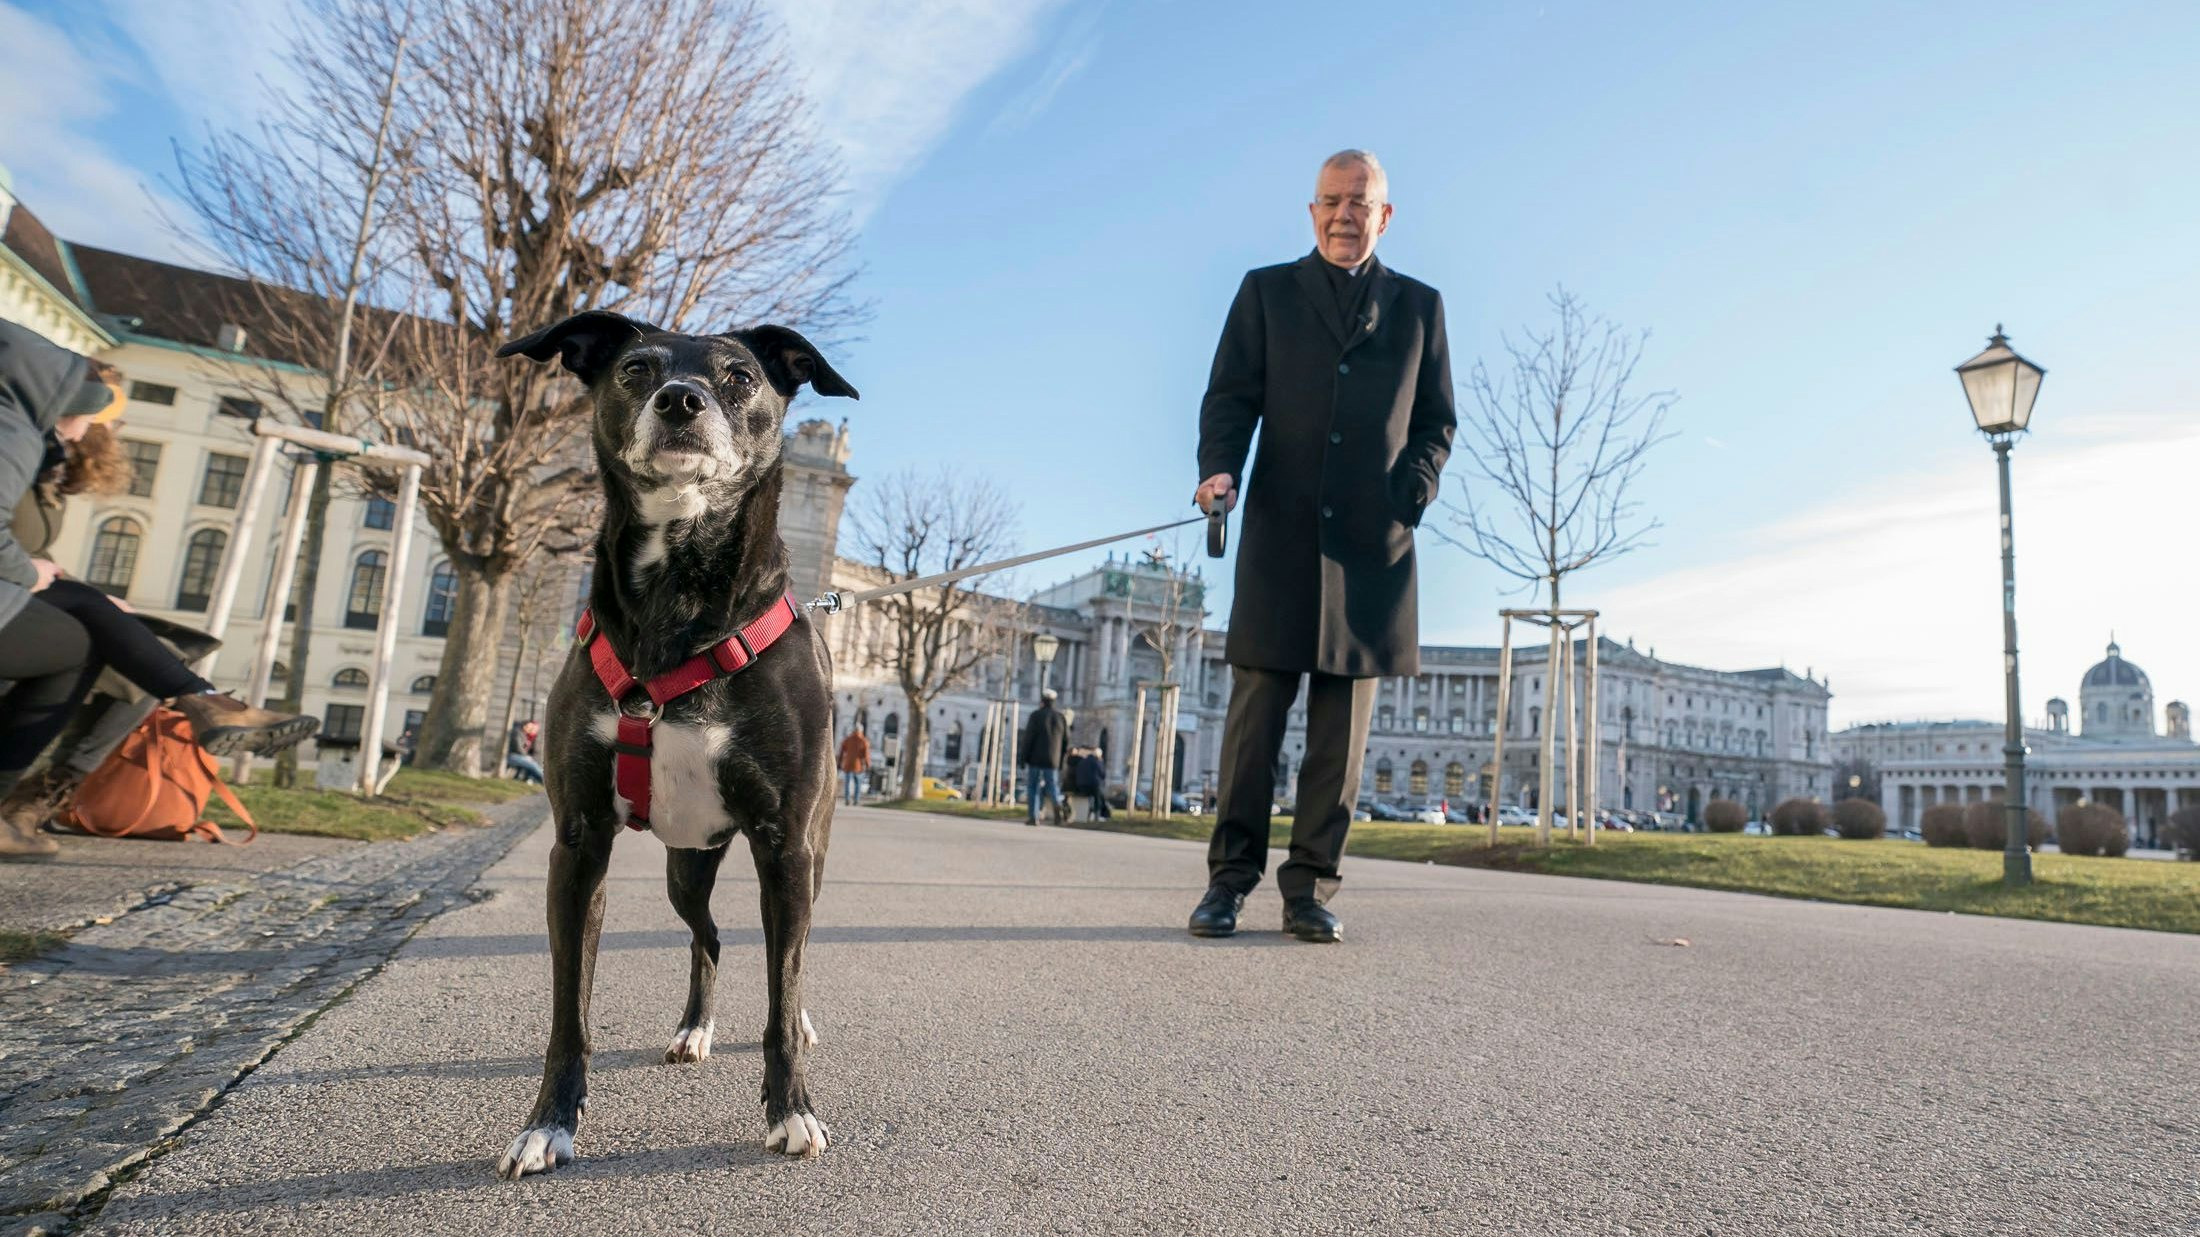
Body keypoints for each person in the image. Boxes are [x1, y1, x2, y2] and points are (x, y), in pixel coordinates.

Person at [1187, 150, 1456, 943]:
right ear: (1312, 212)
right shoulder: (1265, 291)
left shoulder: (1420, 306)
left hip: (1374, 550)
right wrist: (1217, 469)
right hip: (1278, 534)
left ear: (1386, 214)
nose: (1345, 213)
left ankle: (1309, 887)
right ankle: (1228, 883)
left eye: (1360, 201)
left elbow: (1437, 420)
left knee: (1339, 746)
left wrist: (1416, 484)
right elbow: (1230, 395)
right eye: (1332, 201)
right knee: (1252, 729)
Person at [0, 321, 319, 859]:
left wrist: (63, 583)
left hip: (21, 595)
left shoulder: (31, 450)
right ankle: (203, 703)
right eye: (93, 414)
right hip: (17, 595)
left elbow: (35, 556)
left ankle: (198, 703)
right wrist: (42, 577)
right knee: (104, 640)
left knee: (122, 639)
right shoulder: (16, 436)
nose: (84, 432)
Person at [1018, 688, 1069, 827]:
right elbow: (1066, 741)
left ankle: (1033, 816)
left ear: (1042, 701)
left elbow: (1028, 738)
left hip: (1035, 759)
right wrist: (1061, 759)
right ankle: (1057, 806)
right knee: (1052, 786)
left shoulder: (1035, 716)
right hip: (1053, 759)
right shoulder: (1061, 717)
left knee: (1033, 787)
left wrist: (1023, 757)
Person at [836, 725, 870, 806]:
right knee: (857, 784)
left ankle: (847, 799)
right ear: (861, 731)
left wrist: (839, 762)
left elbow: (841, 751)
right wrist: (868, 765)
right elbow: (866, 755)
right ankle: (856, 800)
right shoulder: (863, 741)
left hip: (848, 764)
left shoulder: (848, 739)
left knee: (847, 783)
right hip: (859, 766)